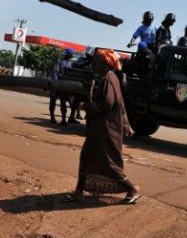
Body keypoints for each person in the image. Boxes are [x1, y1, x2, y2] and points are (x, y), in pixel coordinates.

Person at [63, 49, 142, 204]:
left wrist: (87, 106)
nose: (94, 65)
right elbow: (120, 105)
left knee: (107, 162)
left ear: (105, 63)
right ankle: (79, 192)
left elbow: (107, 103)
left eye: (97, 62)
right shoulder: (109, 77)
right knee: (86, 157)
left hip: (105, 130)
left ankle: (131, 188)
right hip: (99, 129)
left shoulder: (109, 78)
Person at [50, 48, 75, 125]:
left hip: (64, 86)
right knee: (53, 101)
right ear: (68, 54)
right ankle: (52, 117)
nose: (72, 55)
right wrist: (56, 83)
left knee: (63, 102)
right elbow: (55, 72)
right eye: (71, 54)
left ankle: (63, 120)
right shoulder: (60, 62)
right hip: (57, 84)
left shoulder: (71, 63)